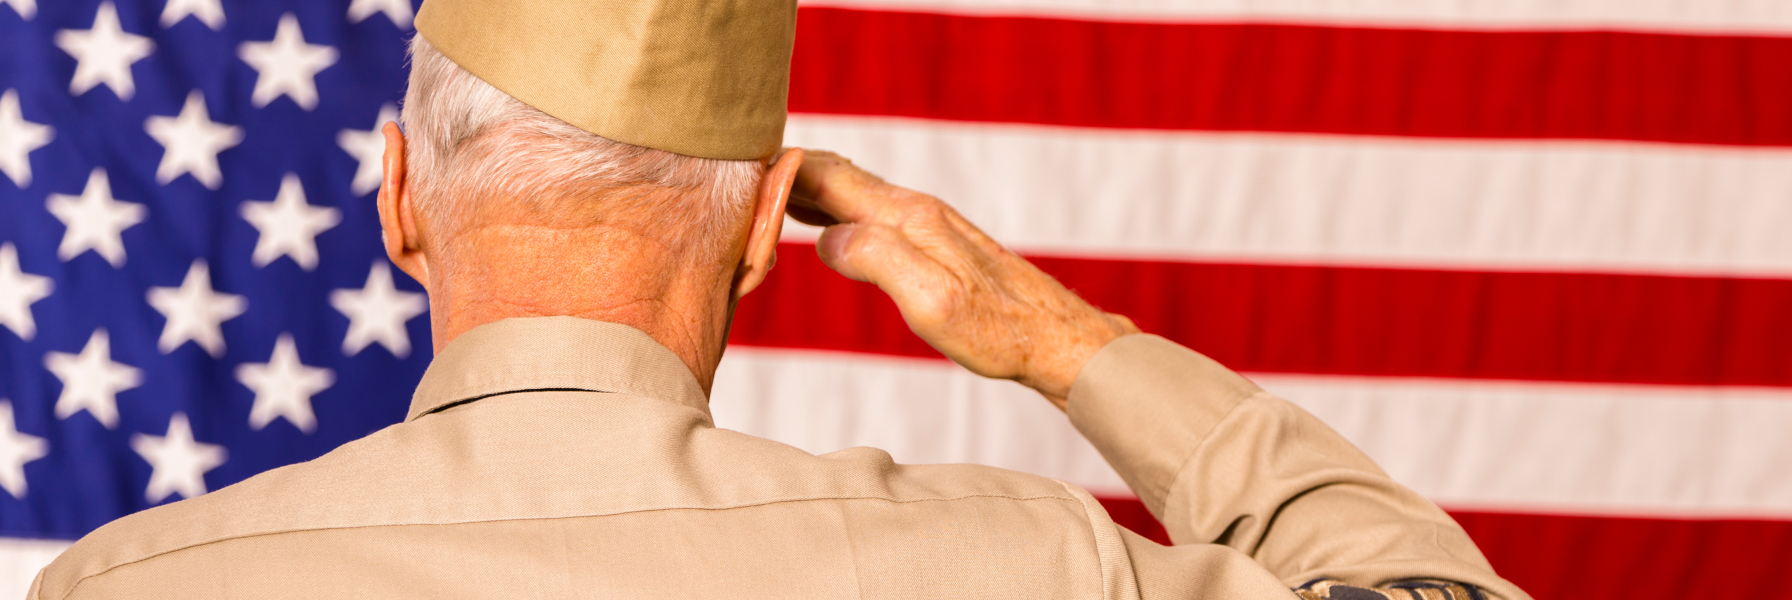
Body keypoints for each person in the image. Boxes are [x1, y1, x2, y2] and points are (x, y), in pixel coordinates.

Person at [32, 0, 1528, 598]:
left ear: (399, 194)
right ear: (761, 233)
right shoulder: (1020, 567)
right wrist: (1065, 344)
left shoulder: (125, 592)